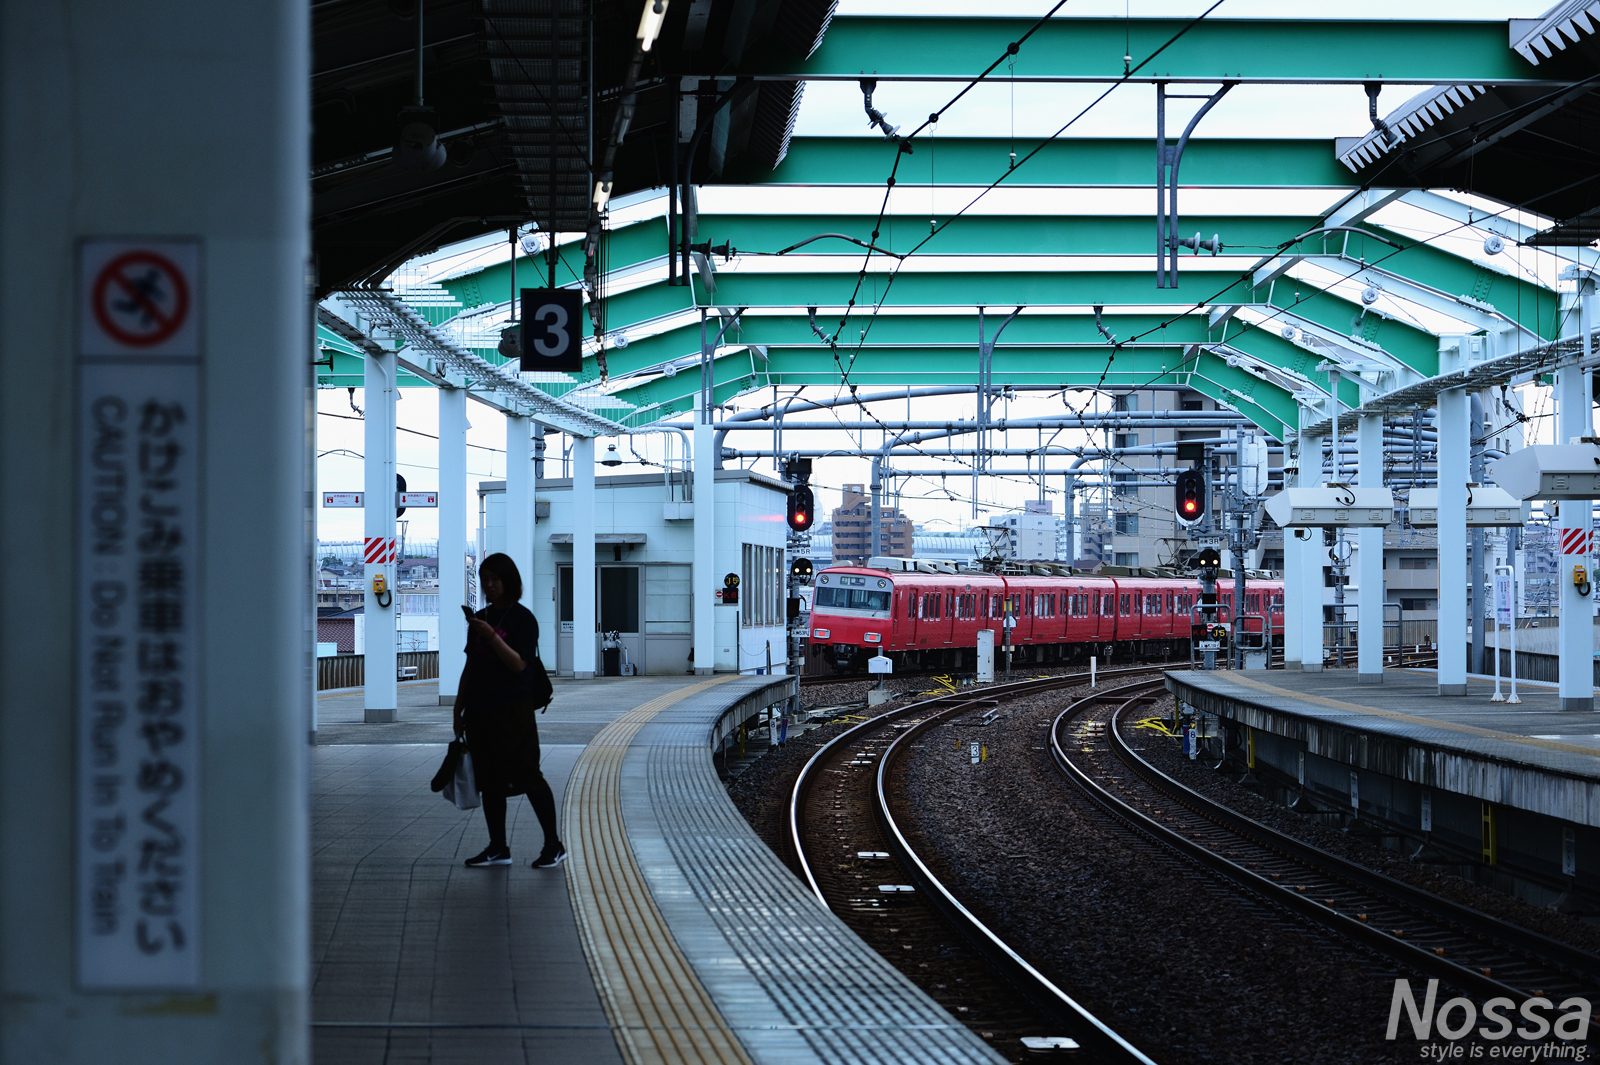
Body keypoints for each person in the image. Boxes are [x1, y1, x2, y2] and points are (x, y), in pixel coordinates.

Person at [453, 553, 565, 869]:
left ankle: (554, 845)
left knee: (529, 775)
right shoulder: (479, 617)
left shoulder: (522, 619)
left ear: (509, 581)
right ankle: (498, 847)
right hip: (480, 710)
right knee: (489, 779)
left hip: (513, 710)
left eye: (495, 579)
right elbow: (470, 666)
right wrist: (458, 708)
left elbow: (518, 664)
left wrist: (490, 635)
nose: (489, 585)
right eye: (485, 579)